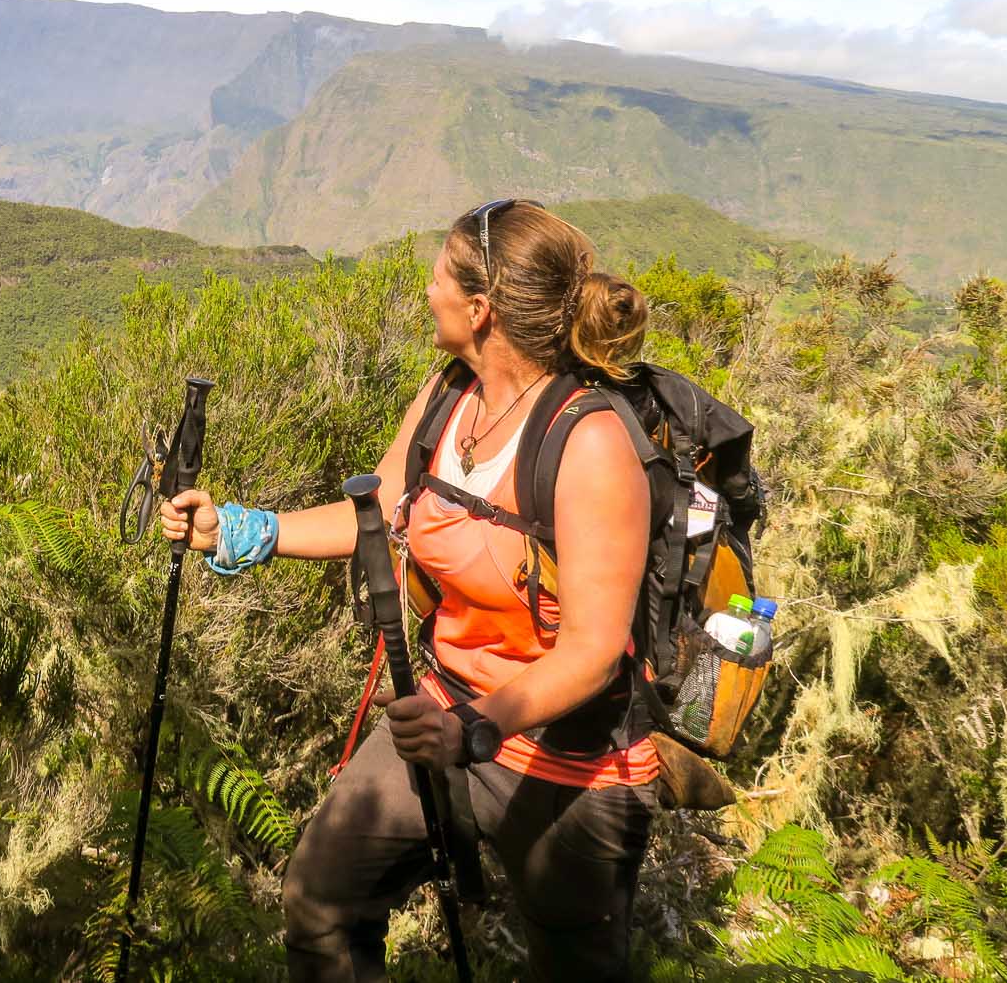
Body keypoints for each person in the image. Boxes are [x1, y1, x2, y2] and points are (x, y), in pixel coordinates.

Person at [160, 199, 659, 983]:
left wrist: (475, 728)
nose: (426, 289)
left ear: (480, 308)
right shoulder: (447, 396)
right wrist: (242, 530)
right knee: (319, 899)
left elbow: (594, 653)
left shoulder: (588, 443)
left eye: (438, 273)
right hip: (441, 713)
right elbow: (379, 512)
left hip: (568, 759)